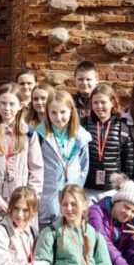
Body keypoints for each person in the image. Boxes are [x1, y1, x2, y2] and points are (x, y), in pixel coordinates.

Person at [0, 83, 44, 241]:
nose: (7, 108)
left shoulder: (29, 134)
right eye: (3, 103)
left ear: (21, 105)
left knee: (20, 245)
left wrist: (26, 202)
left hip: (22, 204)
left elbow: (37, 172)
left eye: (12, 104)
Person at [37, 90, 90, 227]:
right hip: (47, 198)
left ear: (71, 111)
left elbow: (84, 166)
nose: (58, 117)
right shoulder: (40, 135)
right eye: (53, 113)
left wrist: (77, 189)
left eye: (63, 112)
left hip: (72, 200)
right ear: (47, 113)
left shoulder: (81, 137)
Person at [83, 84, 134, 200]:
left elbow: (129, 164)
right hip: (87, 188)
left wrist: (126, 188)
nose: (99, 106)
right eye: (95, 103)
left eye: (103, 102)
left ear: (112, 103)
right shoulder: (84, 125)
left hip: (112, 190)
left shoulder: (123, 128)